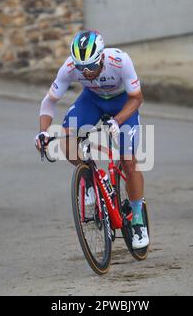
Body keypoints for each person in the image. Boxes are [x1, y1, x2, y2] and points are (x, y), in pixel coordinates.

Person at [34, 30, 148, 249]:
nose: (85, 72)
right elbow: (49, 101)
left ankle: (138, 220)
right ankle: (88, 177)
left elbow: (137, 98)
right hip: (92, 100)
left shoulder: (120, 60)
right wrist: (44, 131)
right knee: (66, 140)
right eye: (80, 67)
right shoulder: (69, 67)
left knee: (128, 161)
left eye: (90, 67)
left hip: (123, 103)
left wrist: (118, 121)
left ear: (102, 57)